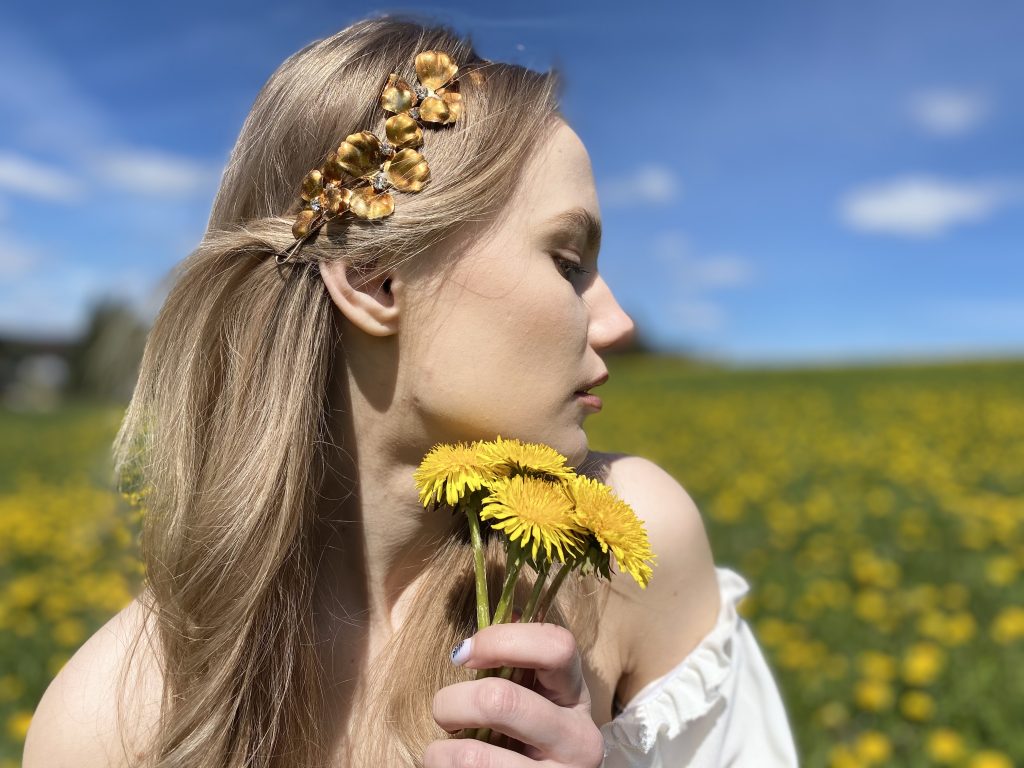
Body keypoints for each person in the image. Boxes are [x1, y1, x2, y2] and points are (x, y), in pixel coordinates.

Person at [22, 15, 799, 768]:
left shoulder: (632, 543)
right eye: (567, 262)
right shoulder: (105, 723)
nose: (620, 322)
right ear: (375, 279)